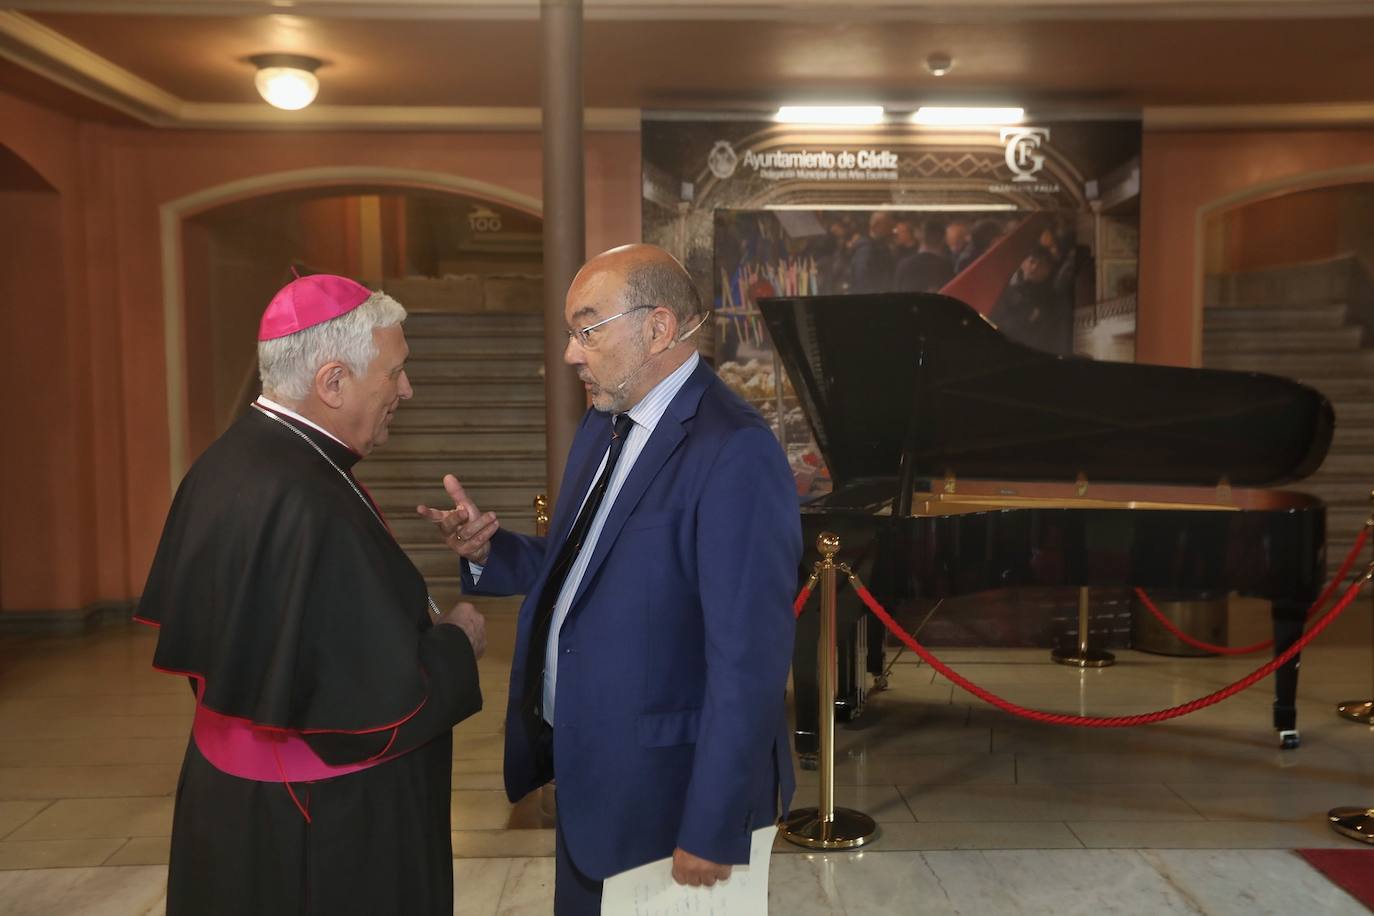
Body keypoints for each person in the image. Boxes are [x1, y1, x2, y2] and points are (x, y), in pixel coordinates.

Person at [419, 244, 801, 915]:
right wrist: (492, 550)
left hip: (668, 800)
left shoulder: (734, 451)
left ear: (657, 328)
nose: (571, 355)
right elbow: (585, 564)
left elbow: (749, 664)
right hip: (593, 779)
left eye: (587, 329)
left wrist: (712, 825)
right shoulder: (604, 428)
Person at [136, 273, 488, 916]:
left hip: (236, 803)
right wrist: (458, 641)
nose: (406, 389)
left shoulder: (232, 459)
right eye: (395, 372)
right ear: (333, 383)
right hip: (320, 830)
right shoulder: (305, 496)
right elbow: (375, 710)